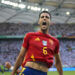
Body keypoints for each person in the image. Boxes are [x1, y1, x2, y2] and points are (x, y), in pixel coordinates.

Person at [11, 11, 63, 75]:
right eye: (42, 17)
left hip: (43, 73)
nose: (44, 18)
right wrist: (13, 72)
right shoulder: (30, 36)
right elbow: (21, 56)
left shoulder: (55, 41)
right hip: (28, 71)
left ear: (50, 22)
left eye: (47, 17)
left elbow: (58, 62)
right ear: (39, 21)